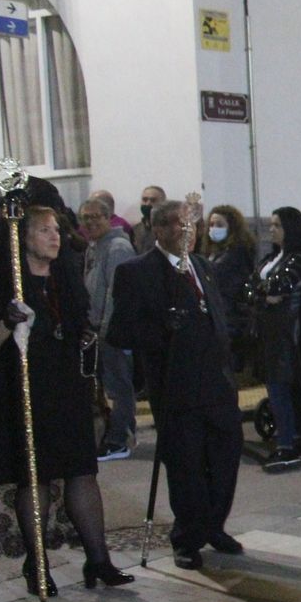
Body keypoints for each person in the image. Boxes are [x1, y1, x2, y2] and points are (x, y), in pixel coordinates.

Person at [0, 206, 135, 593]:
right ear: (22, 237)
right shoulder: (10, 284)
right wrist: (8, 322)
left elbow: (78, 327)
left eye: (56, 229)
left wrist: (86, 345)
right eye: (44, 230)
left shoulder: (64, 278)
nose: (55, 237)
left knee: (82, 472)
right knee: (35, 478)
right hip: (26, 392)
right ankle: (37, 565)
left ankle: (98, 560)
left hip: (68, 389)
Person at [110, 200, 244, 568]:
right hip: (176, 389)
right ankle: (187, 537)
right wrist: (161, 328)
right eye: (179, 227)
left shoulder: (202, 266)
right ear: (159, 230)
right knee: (186, 469)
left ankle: (214, 525)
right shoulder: (136, 272)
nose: (189, 233)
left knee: (225, 460)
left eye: (192, 226)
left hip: (217, 385)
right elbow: (118, 331)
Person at [252, 208, 301, 471]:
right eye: (271, 224)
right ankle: (288, 438)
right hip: (269, 331)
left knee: (283, 387)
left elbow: (282, 286)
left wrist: (263, 292)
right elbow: (250, 287)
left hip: (287, 332)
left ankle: (289, 442)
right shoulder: (271, 257)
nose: (272, 229)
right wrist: (262, 295)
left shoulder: (299, 258)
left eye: (277, 225)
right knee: (276, 385)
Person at [78, 197, 138, 460]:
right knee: (108, 385)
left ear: (108, 218)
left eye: (95, 217)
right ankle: (120, 432)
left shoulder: (117, 248)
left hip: (114, 331)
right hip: (97, 329)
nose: (90, 222)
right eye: (85, 218)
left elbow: (117, 293)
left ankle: (118, 439)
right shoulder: (95, 247)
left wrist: (106, 328)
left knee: (119, 387)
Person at [202, 205, 258, 369]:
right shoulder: (214, 252)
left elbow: (227, 287)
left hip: (231, 317)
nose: (213, 229)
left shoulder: (236, 254)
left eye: (219, 225)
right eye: (211, 225)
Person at [132, 185, 166, 254]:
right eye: (145, 200)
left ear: (163, 203)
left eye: (153, 200)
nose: (148, 204)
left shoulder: (168, 229)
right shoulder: (135, 230)